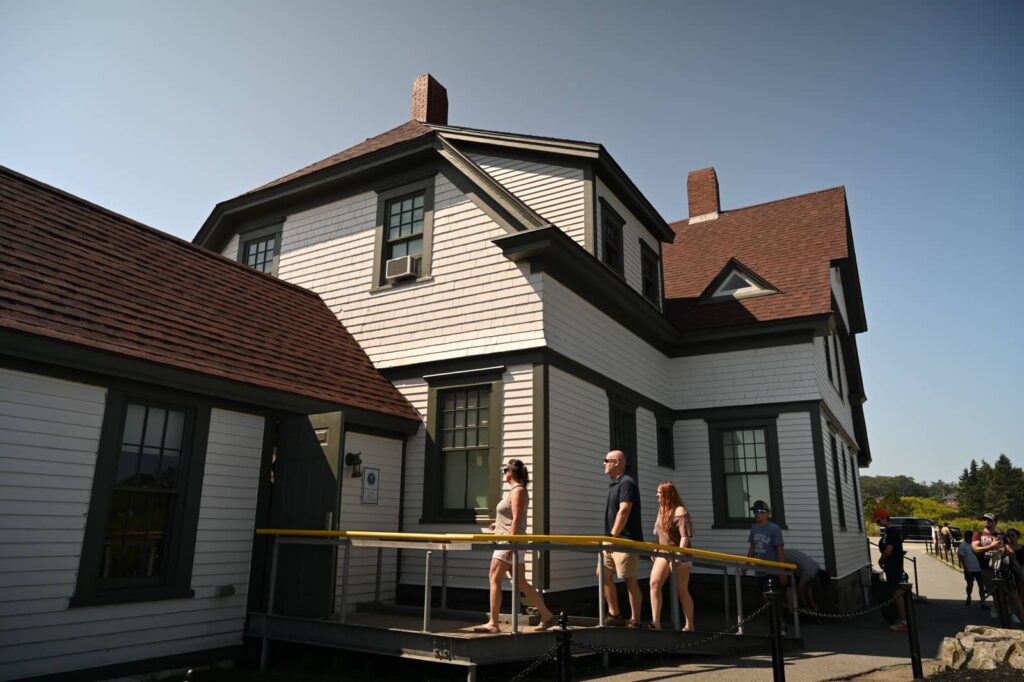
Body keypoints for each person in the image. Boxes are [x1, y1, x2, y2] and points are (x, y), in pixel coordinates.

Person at [475, 459, 557, 633]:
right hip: (511, 541)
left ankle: (493, 623)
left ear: (510, 472)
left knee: (494, 578)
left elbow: (517, 518)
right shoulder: (514, 491)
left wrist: (510, 544)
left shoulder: (518, 491)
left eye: (505, 470)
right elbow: (511, 517)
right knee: (521, 582)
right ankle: (547, 615)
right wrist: (497, 523)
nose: (504, 473)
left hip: (509, 542)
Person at [599, 450, 644, 627]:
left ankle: (635, 620)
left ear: (617, 462)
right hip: (611, 541)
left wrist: (613, 536)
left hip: (625, 540)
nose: (603, 463)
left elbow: (624, 510)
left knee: (629, 579)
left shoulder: (627, 483)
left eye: (607, 460)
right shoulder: (613, 484)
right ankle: (615, 614)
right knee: (602, 574)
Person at [649, 481, 695, 631]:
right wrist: (656, 548)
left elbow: (685, 536)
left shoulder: (680, 511)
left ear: (668, 494)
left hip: (680, 553)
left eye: (659, 493)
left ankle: (689, 625)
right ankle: (655, 622)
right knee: (654, 583)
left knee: (681, 589)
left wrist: (680, 555)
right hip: (664, 552)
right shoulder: (661, 510)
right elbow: (659, 533)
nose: (657, 495)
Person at [972, 512, 1024, 625]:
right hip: (987, 569)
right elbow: (975, 549)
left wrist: (1008, 551)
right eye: (984, 519)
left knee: (1013, 595)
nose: (986, 521)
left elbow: (1010, 551)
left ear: (995, 522)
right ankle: (1004, 619)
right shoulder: (978, 534)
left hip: (1003, 568)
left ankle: (1017, 618)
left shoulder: (1001, 535)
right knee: (996, 596)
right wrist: (992, 546)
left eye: (989, 520)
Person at [873, 508, 909, 632]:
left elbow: (889, 550)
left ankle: (904, 622)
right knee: (894, 592)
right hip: (890, 566)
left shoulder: (892, 532)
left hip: (894, 566)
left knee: (897, 593)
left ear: (885, 518)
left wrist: (880, 560)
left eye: (878, 521)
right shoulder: (887, 532)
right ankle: (900, 618)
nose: (878, 524)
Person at [746, 500, 788, 593]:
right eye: (755, 511)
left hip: (772, 571)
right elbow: (752, 548)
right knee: (762, 594)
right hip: (758, 570)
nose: (757, 514)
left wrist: (782, 571)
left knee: (769, 595)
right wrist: (746, 565)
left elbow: (780, 550)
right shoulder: (754, 528)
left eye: (760, 511)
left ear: (767, 513)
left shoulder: (775, 529)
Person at [784, 548, 831, 612]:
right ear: (818, 579)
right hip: (784, 559)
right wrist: (806, 605)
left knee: (796, 582)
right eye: (819, 584)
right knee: (791, 584)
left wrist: (812, 603)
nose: (818, 585)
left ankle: (795, 610)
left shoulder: (815, 570)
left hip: (792, 561)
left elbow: (808, 586)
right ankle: (792, 612)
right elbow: (800, 588)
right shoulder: (809, 573)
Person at [958, 529, 986, 607]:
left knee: (981, 585)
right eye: (970, 537)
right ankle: (969, 596)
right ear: (967, 537)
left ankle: (983, 601)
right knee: (970, 585)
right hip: (969, 568)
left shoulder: (977, 544)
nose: (971, 539)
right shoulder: (962, 546)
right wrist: (965, 568)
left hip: (978, 568)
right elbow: (961, 558)